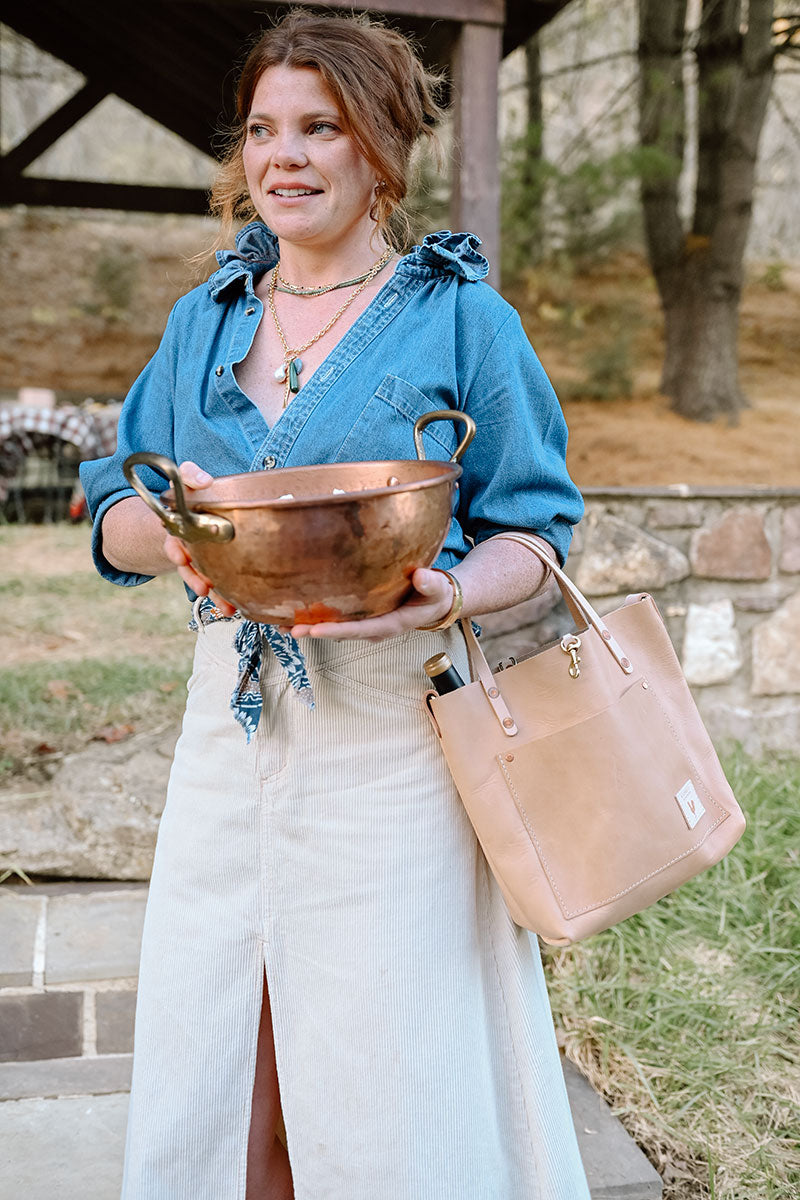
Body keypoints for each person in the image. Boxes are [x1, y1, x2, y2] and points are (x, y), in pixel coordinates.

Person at [80, 11, 590, 1199]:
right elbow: (114, 505)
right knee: (228, 1050)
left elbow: (539, 530)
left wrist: (447, 591)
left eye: (320, 127)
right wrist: (183, 538)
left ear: (381, 150)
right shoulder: (204, 319)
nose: (283, 157)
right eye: (262, 130)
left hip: (393, 737)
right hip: (230, 728)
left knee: (372, 1063)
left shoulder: (459, 317)